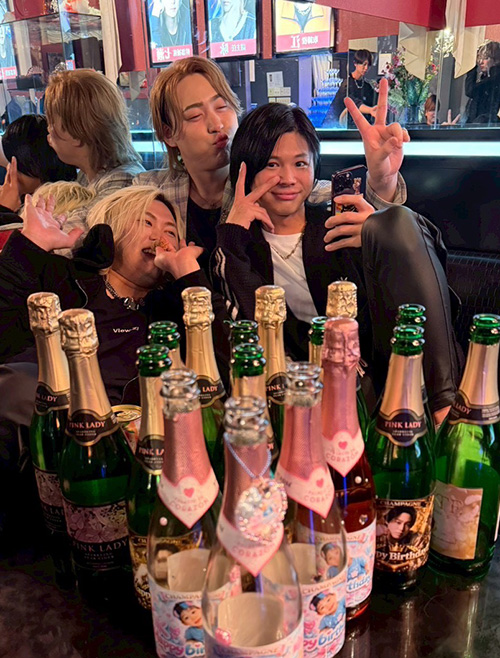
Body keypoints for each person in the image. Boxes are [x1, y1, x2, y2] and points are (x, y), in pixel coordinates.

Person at [213, 102, 462, 426]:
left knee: (398, 221)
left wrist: (378, 225)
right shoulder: (241, 248)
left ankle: (445, 410)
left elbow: (412, 276)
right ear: (246, 170)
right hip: (301, 391)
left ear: (314, 166)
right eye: (272, 164)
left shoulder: (340, 225)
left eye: (300, 163)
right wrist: (232, 235)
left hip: (378, 371)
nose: (288, 178)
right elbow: (246, 319)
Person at [137, 56, 409, 273]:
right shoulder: (153, 193)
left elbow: (322, 195)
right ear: (168, 134)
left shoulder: (266, 183)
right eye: (195, 116)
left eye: (222, 107)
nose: (217, 124)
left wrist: (382, 178)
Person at [0, 186, 227, 406]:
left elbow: (226, 373)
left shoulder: (173, 312)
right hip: (37, 412)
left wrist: (189, 275)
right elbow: (6, 340)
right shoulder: (65, 280)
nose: (160, 238)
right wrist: (28, 247)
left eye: (171, 232)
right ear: (114, 228)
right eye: (147, 222)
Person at [44, 69, 144, 221]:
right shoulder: (88, 175)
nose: (48, 130)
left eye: (52, 123)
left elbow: (75, 231)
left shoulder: (120, 184)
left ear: (76, 134)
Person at [323, 49, 376, 128]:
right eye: (364, 64)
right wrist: (370, 110)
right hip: (338, 126)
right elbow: (353, 103)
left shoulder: (367, 86)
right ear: (355, 63)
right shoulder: (346, 84)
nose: (366, 68)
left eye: (368, 65)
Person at [465, 41, 500, 125]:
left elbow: (470, 90)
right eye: (479, 58)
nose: (481, 62)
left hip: (484, 125)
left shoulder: (494, 79)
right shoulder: (486, 78)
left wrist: (471, 69)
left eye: (486, 58)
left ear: (495, 60)